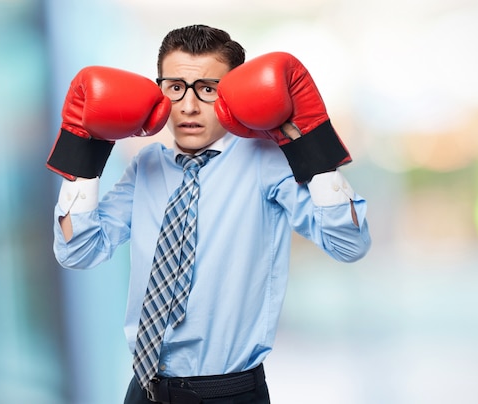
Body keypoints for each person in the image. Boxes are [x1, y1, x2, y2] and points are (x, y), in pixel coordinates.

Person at [47, 24, 371, 404]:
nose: (188, 106)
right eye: (175, 87)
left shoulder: (266, 162)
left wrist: (313, 148)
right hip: (143, 390)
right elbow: (77, 252)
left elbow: (348, 245)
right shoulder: (147, 166)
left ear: (234, 95)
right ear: (160, 91)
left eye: (208, 89)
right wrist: (83, 152)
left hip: (226, 392)